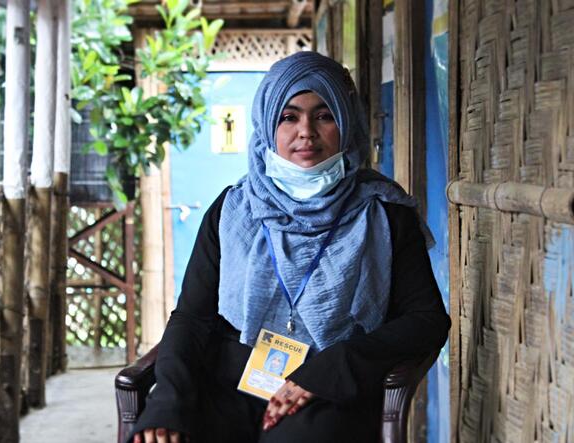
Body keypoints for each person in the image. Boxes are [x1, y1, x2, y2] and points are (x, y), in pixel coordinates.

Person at [131, 51, 450, 443]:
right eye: (289, 116)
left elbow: (426, 320)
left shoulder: (383, 212)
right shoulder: (233, 209)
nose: (306, 132)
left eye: (324, 115)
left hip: (327, 389)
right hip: (230, 383)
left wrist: (331, 370)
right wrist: (168, 400)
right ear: (267, 124)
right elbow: (193, 317)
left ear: (346, 123)